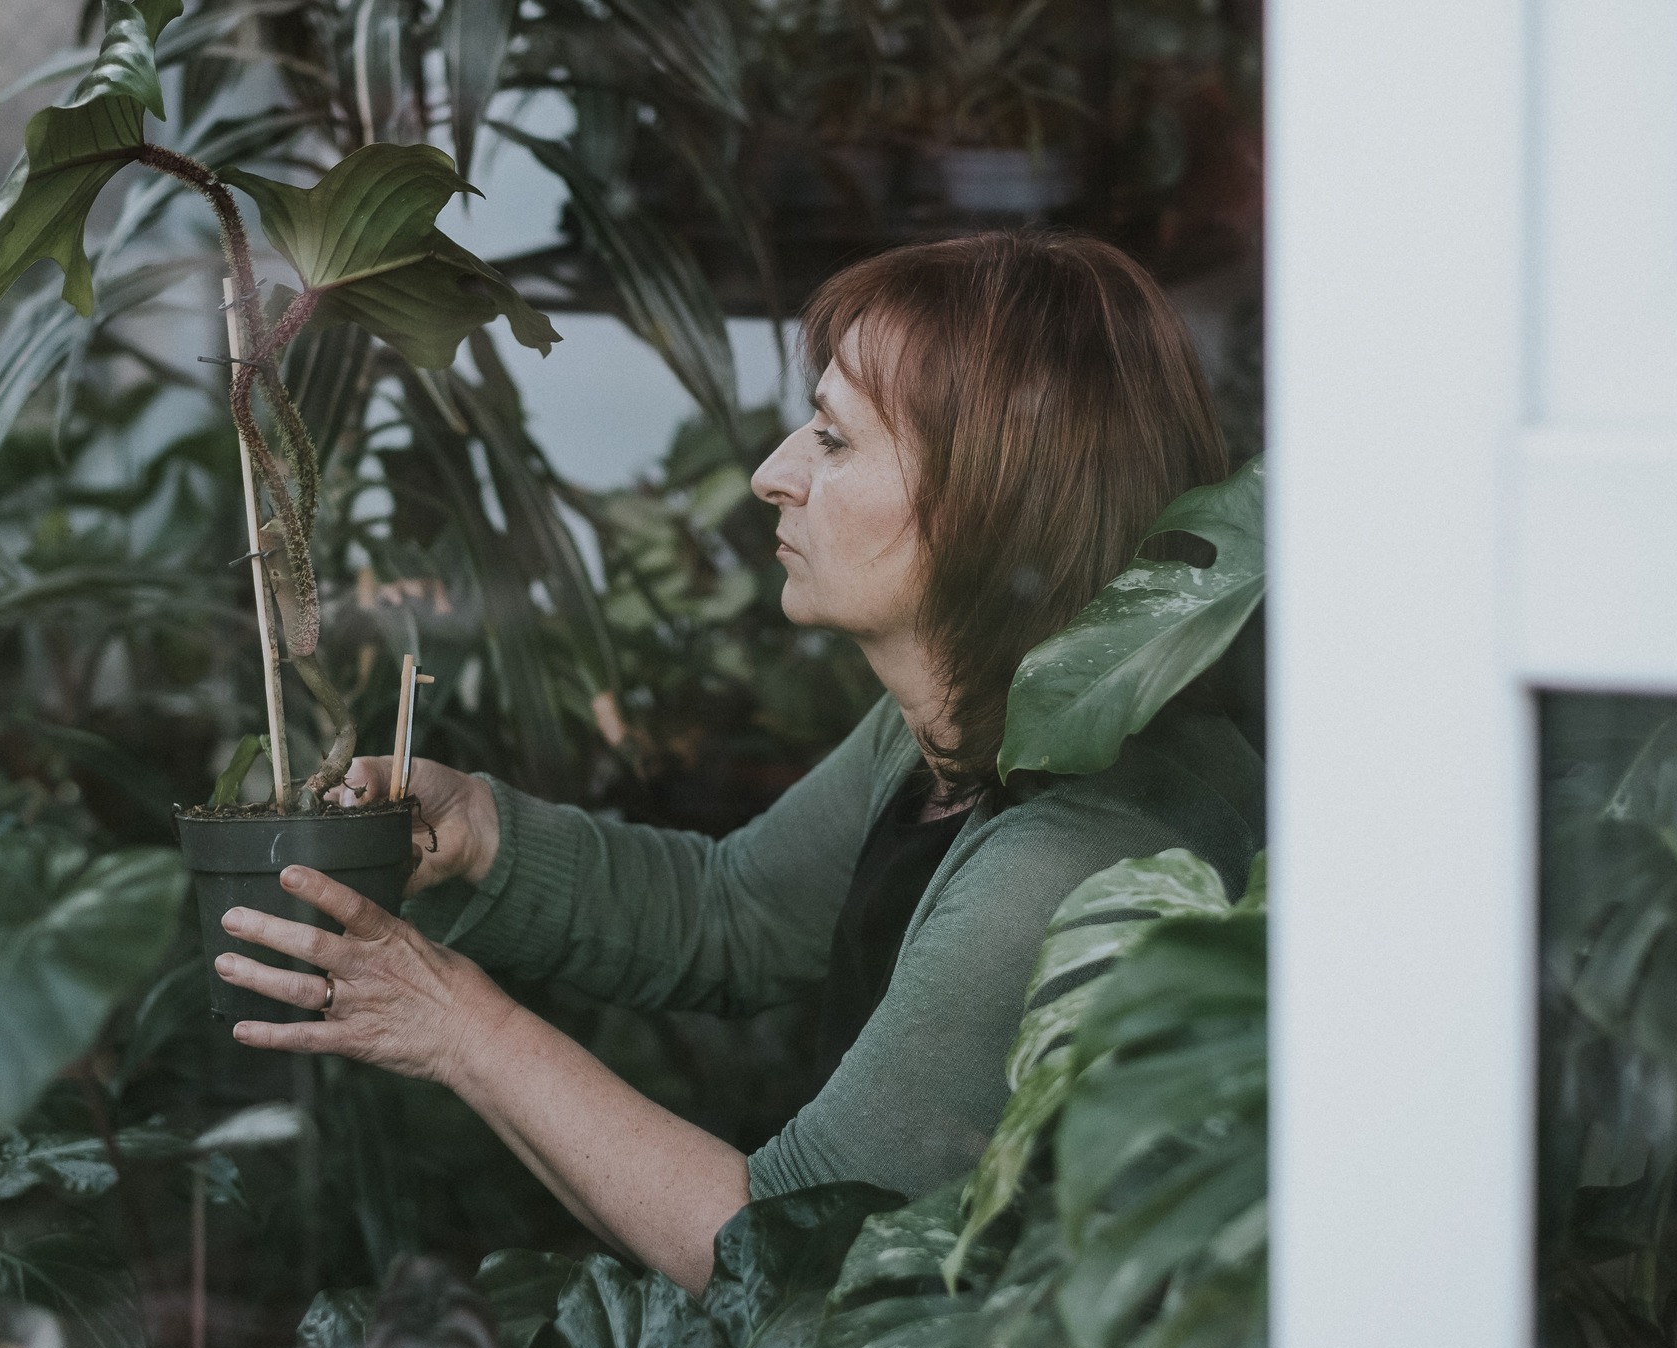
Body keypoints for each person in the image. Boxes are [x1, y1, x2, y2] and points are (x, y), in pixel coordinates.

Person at [210, 229, 1264, 1294]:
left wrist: (451, 1023)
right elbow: (737, 913)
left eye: (834, 440)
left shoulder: (1073, 857)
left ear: (995, 496)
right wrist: (482, 832)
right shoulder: (967, 723)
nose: (771, 476)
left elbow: (793, 1251)